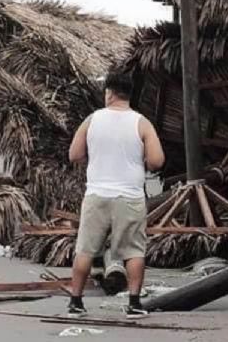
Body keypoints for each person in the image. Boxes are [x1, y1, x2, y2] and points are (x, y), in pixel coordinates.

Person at [67, 71, 165, 318]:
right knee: (133, 251)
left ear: (109, 93)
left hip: (97, 194)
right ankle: (133, 304)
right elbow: (157, 160)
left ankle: (75, 302)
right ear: (128, 94)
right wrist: (141, 159)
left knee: (86, 249)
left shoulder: (92, 120)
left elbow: (74, 155)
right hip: (129, 196)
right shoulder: (141, 122)